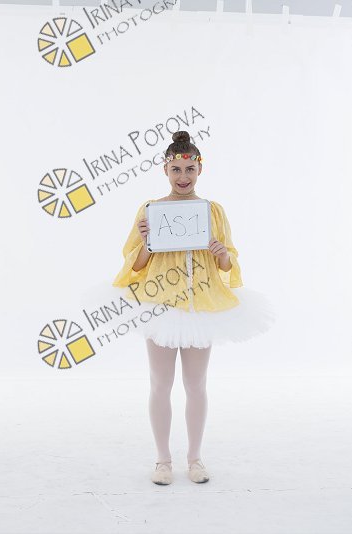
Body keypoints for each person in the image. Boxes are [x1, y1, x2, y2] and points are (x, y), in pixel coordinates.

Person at [111, 130, 277, 485]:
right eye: (176, 169)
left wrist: (221, 255)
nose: (183, 177)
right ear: (165, 170)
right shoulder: (150, 210)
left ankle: (195, 459)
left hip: (200, 305)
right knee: (160, 382)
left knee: (196, 383)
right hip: (160, 305)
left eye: (189, 169)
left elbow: (228, 263)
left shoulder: (212, 211)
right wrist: (147, 242)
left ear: (200, 169)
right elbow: (133, 264)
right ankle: (162, 460)